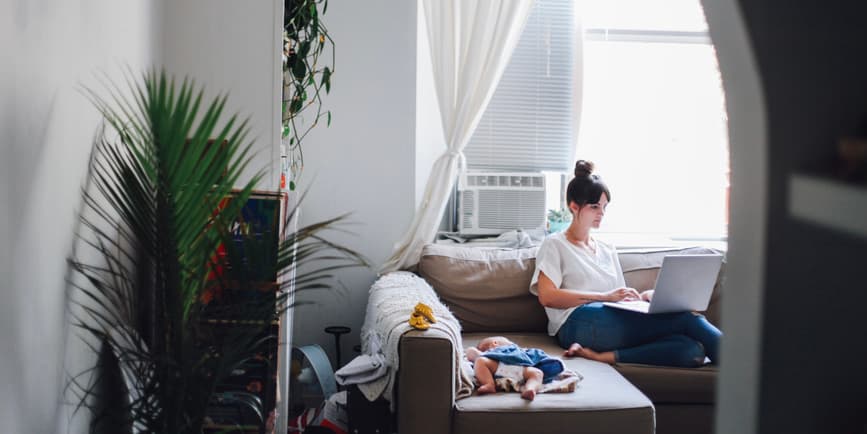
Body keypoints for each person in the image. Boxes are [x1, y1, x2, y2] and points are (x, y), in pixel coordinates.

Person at [529, 160, 722, 368]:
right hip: (576, 322)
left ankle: (606, 356)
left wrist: (644, 298)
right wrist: (604, 297)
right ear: (574, 207)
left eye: (604, 207)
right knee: (688, 320)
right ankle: (747, 369)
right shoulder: (555, 244)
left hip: (611, 317)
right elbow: (547, 297)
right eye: (594, 207)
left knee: (691, 351)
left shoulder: (606, 249)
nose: (601, 213)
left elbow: (619, 299)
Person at [465, 336, 564, 401]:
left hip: (515, 369)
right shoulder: (493, 353)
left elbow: (539, 356)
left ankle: (530, 389)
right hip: (508, 368)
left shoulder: (519, 351)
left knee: (538, 373)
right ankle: (489, 384)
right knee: (480, 361)